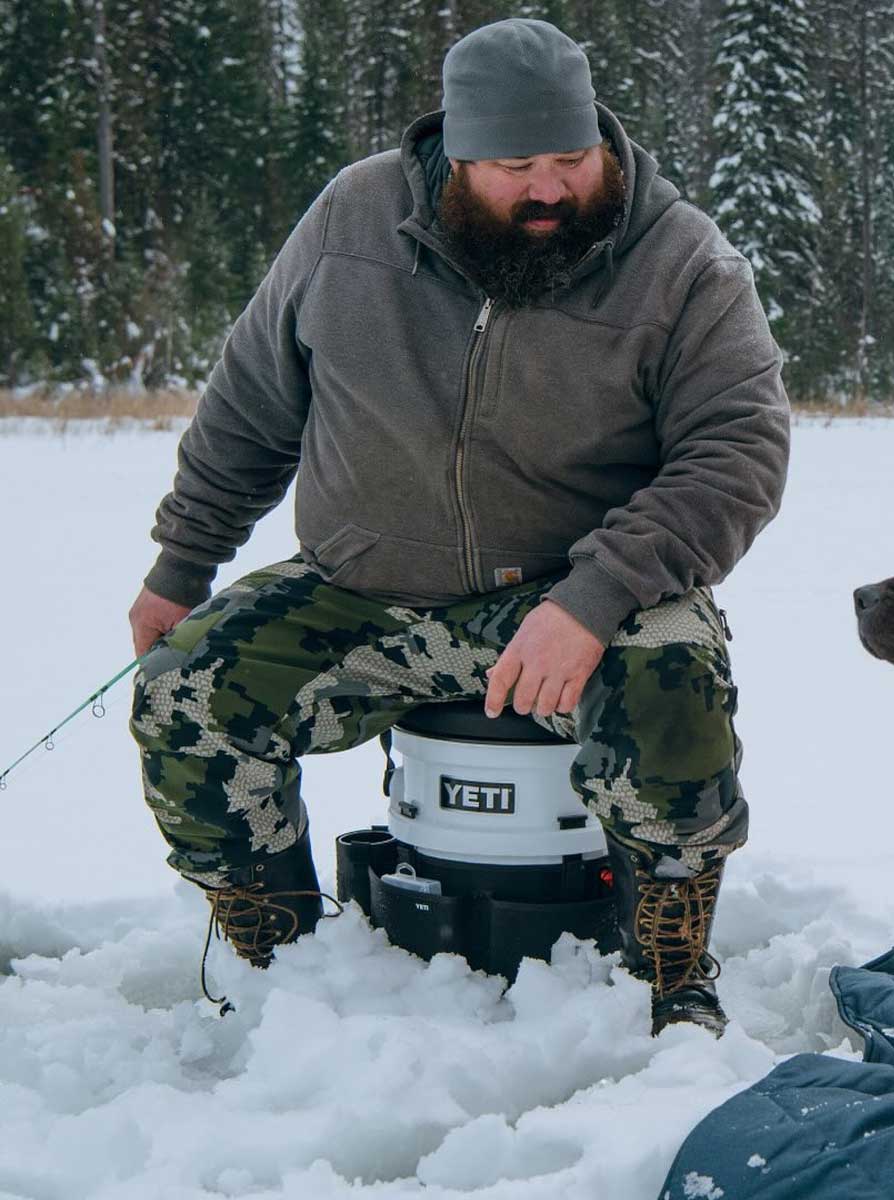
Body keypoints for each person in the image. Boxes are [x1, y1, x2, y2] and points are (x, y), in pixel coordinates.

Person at [129, 17, 789, 1035]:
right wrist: (183, 564)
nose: (550, 189)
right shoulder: (353, 221)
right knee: (185, 692)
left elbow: (737, 451)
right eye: (515, 165)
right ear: (454, 159)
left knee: (675, 685)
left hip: (578, 595)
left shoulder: (680, 258)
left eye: (572, 158)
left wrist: (595, 595)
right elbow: (252, 404)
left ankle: (672, 964)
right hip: (366, 591)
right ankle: (281, 955)